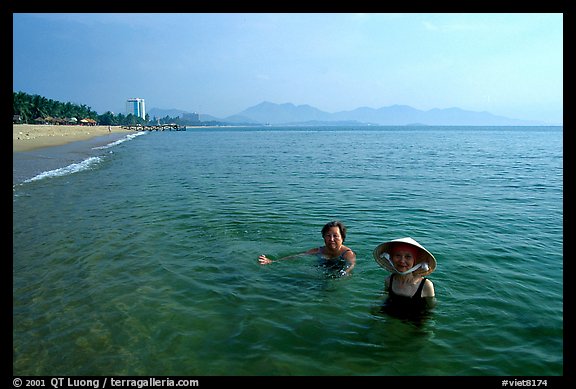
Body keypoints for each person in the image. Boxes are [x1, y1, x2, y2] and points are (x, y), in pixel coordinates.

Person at [258, 220, 356, 277]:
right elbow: (297, 256)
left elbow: (351, 265)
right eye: (328, 235)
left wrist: (344, 274)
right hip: (322, 269)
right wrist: (272, 261)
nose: (331, 239)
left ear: (342, 237)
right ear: (323, 237)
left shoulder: (347, 253)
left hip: (338, 270)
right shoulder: (319, 250)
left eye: (335, 236)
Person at [373, 237, 437, 315]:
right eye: (398, 255)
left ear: (415, 261)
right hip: (391, 316)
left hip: (415, 322)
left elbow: (431, 308)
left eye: (408, 256)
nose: (402, 261)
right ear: (391, 258)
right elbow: (385, 295)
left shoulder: (426, 285)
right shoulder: (389, 280)